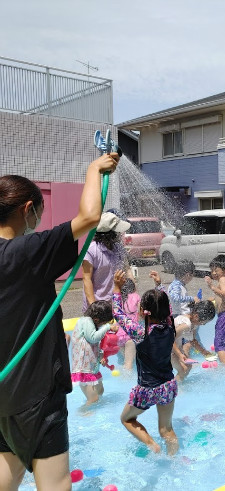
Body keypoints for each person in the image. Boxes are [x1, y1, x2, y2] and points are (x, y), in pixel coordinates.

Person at [0, 152, 118, 490]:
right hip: (36, 392)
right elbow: (90, 216)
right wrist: (95, 168)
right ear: (27, 209)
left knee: (7, 474)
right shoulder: (27, 252)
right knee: (56, 484)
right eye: (37, 211)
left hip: (2, 395)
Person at [112, 270, 179, 455]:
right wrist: (159, 286)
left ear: (143, 311)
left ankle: (152, 446)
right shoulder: (171, 325)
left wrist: (117, 289)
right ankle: (173, 459)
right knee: (166, 429)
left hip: (148, 389)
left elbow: (118, 313)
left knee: (126, 419)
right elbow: (168, 307)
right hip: (168, 386)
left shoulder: (140, 333)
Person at [81, 211, 132, 313]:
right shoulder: (91, 250)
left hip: (116, 304)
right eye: (117, 232)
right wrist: (93, 307)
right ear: (109, 234)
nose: (120, 234)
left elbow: (127, 269)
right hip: (97, 305)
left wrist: (133, 295)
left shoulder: (118, 248)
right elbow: (86, 279)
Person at [70, 300, 119, 405]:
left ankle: (95, 414)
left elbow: (94, 346)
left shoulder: (92, 324)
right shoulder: (86, 321)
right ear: (96, 319)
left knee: (100, 392)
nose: (104, 326)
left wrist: (101, 356)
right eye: (103, 323)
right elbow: (93, 338)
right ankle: (83, 416)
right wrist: (108, 327)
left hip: (92, 369)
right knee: (93, 399)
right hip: (84, 370)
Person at [171, 300, 217, 381]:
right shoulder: (186, 324)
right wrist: (179, 354)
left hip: (173, 347)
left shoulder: (193, 324)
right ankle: (174, 388)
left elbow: (192, 340)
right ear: (196, 316)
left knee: (188, 367)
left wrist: (204, 352)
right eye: (204, 322)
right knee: (183, 369)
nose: (204, 324)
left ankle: (177, 385)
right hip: (164, 347)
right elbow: (170, 338)